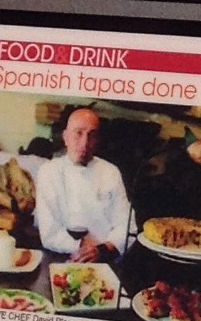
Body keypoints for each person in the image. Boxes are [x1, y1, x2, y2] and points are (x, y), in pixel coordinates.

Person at [32, 105, 136, 262]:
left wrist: (103, 249)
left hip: (104, 257)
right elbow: (49, 232)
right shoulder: (48, 171)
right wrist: (81, 246)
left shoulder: (110, 172)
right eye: (78, 133)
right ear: (65, 137)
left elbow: (127, 225)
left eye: (91, 135)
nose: (85, 143)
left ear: (97, 140)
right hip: (60, 256)